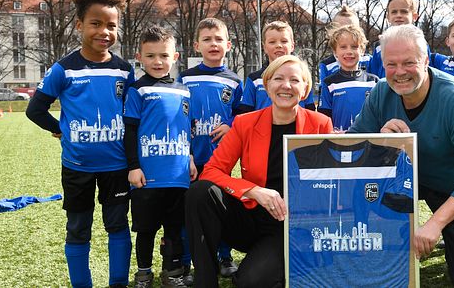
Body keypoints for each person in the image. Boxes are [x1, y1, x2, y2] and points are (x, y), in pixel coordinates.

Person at [349, 24, 454, 287]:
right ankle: (375, 245)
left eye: (408, 62)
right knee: (361, 189)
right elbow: (354, 144)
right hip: (407, 181)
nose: (399, 72)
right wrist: (380, 139)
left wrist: (434, 224)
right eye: (391, 64)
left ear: (425, 61)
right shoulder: (380, 93)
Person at [185, 55, 333, 288]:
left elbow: (331, 181)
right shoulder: (245, 123)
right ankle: (205, 281)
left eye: (295, 80)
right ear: (267, 85)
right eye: (278, 79)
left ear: (305, 90)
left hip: (288, 224)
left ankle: (289, 263)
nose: (286, 86)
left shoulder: (321, 124)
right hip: (250, 217)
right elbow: (212, 171)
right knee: (200, 192)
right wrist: (253, 191)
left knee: (250, 282)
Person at [26, 0, 134, 288]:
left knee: (117, 225)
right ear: (79, 25)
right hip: (77, 167)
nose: (104, 31)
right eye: (96, 23)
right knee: (78, 228)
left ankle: (118, 283)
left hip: (116, 166)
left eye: (111, 25)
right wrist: (58, 129)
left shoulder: (124, 71)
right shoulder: (64, 69)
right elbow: (35, 110)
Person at [124, 26, 197, 287]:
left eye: (164, 56)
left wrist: (189, 158)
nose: (158, 61)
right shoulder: (137, 90)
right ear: (139, 57)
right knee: (145, 230)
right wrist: (133, 167)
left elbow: (186, 129)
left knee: (174, 229)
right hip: (148, 177)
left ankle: (172, 273)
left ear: (175, 57)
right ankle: (143, 273)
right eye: (151, 55)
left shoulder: (184, 91)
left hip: (177, 175)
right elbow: (130, 131)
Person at [178, 18, 243, 278]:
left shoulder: (235, 81)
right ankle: (188, 262)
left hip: (222, 160)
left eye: (218, 39)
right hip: (192, 159)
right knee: (189, 213)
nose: (213, 44)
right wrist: (186, 153)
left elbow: (242, 115)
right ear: (197, 45)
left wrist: (231, 126)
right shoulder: (184, 78)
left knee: (221, 209)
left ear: (228, 44)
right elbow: (178, 119)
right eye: (207, 39)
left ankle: (225, 257)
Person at [237, 21, 316, 114]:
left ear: (292, 46)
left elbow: (310, 111)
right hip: (262, 128)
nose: (278, 45)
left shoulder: (302, 77)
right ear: (264, 47)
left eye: (284, 41)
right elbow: (245, 112)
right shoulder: (254, 79)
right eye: (272, 42)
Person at [318, 24, 378, 130]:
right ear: (335, 52)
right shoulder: (329, 83)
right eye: (343, 47)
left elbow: (380, 115)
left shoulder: (373, 82)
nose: (349, 51)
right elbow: (324, 116)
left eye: (354, 47)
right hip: (338, 142)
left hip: (368, 142)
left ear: (362, 50)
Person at [368, 0, 435, 78]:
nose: (398, 15)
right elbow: (374, 75)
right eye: (394, 12)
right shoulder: (379, 46)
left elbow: (427, 73)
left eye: (404, 12)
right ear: (388, 17)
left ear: (414, 16)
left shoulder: (421, 44)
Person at [318, 5, 372, 86]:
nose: (346, 33)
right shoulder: (327, 65)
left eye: (352, 28)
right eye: (340, 29)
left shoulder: (369, 60)